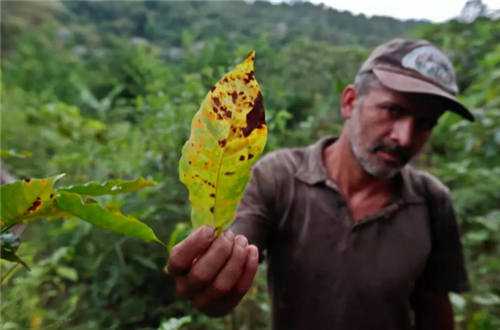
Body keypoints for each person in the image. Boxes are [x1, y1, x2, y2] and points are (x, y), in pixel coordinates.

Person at [166, 39, 471, 330]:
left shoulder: (433, 201)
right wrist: (212, 280)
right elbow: (233, 253)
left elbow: (435, 308)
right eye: (393, 111)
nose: (404, 137)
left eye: (425, 123)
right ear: (350, 102)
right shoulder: (279, 177)